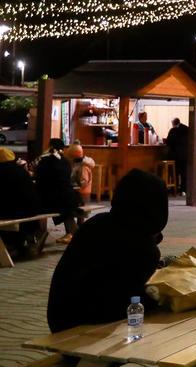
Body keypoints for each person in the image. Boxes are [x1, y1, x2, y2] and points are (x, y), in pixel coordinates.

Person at [47, 169, 169, 333]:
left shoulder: (97, 223)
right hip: (84, 327)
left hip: (60, 319)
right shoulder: (142, 247)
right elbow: (125, 301)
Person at [0, 147, 46, 256]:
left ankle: (11, 245)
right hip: (32, 210)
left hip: (15, 211)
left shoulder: (2, 172)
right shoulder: (21, 170)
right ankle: (20, 243)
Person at [35, 139, 81, 244]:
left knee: (34, 207)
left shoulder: (46, 160)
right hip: (71, 197)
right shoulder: (65, 161)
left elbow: (40, 178)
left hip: (56, 199)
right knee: (65, 207)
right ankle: (72, 233)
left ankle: (36, 236)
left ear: (50, 147)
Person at [166, 118, 190, 193]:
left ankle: (174, 189)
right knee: (184, 173)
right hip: (185, 154)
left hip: (176, 155)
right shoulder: (187, 129)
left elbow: (169, 142)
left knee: (175, 172)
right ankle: (184, 189)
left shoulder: (173, 130)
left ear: (173, 123)